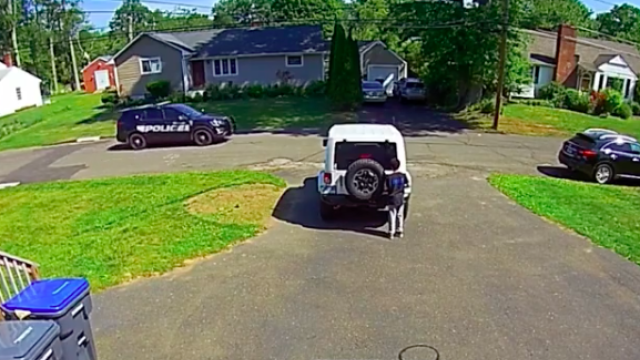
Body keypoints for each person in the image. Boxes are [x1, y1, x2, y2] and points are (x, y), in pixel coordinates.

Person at [385, 158, 408, 239]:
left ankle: (391, 232)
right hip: (400, 197)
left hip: (392, 198)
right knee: (400, 214)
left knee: (392, 214)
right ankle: (400, 230)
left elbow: (387, 188)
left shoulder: (389, 178)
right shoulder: (402, 176)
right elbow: (406, 184)